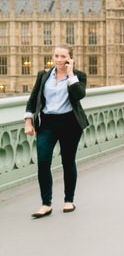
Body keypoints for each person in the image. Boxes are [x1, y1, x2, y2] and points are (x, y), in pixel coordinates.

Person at [24, 44, 89, 218]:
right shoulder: (43, 75)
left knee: (68, 162)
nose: (59, 60)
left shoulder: (79, 76)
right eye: (56, 56)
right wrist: (28, 121)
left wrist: (70, 74)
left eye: (63, 56)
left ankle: (69, 200)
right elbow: (33, 98)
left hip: (70, 123)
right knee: (43, 162)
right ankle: (46, 204)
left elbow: (79, 95)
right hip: (47, 123)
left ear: (70, 58)